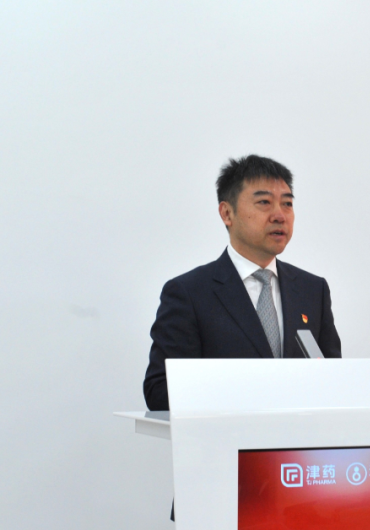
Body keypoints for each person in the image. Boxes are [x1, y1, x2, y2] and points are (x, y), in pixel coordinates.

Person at [143, 155, 341, 412]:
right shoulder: (189, 293)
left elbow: (334, 381)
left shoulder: (313, 290)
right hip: (225, 436)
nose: (280, 215)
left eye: (287, 204)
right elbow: (160, 391)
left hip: (297, 438)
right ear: (227, 213)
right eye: (264, 202)